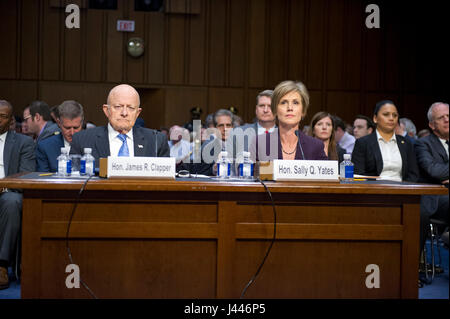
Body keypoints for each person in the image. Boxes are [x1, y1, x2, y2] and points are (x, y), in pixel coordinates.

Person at [70, 84, 170, 166]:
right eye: (118, 107)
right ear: (106, 110)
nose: (124, 113)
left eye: (130, 108)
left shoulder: (157, 140)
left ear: (137, 113)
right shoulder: (82, 140)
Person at [0, 100, 35, 290]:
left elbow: (25, 176)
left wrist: (3, 186)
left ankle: (2, 265)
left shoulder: (24, 143)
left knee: (12, 202)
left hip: (8, 192)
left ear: (11, 120)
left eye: (3, 117)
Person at [251, 80, 327, 161]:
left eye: (295, 103)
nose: (290, 108)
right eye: (283, 102)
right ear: (275, 110)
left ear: (303, 111)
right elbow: (246, 171)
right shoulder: (259, 143)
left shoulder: (316, 146)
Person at [415, 102, 449, 270]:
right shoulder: (423, 144)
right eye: (441, 118)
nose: (447, 120)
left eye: (449, 116)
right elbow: (433, 170)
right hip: (436, 198)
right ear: (432, 124)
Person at [352, 100, 419, 182]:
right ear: (375, 118)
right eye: (386, 114)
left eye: (395, 115)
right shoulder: (363, 143)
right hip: (372, 191)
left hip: (402, 190)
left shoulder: (406, 143)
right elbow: (358, 175)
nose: (391, 118)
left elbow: (413, 174)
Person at [35, 100, 84, 172]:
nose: (72, 133)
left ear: (82, 123)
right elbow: (42, 180)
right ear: (58, 123)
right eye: (67, 128)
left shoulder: (93, 144)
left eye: (76, 128)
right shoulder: (45, 147)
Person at [231, 90, 276, 154]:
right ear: (256, 109)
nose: (265, 110)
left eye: (270, 106)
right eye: (262, 106)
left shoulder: (287, 135)